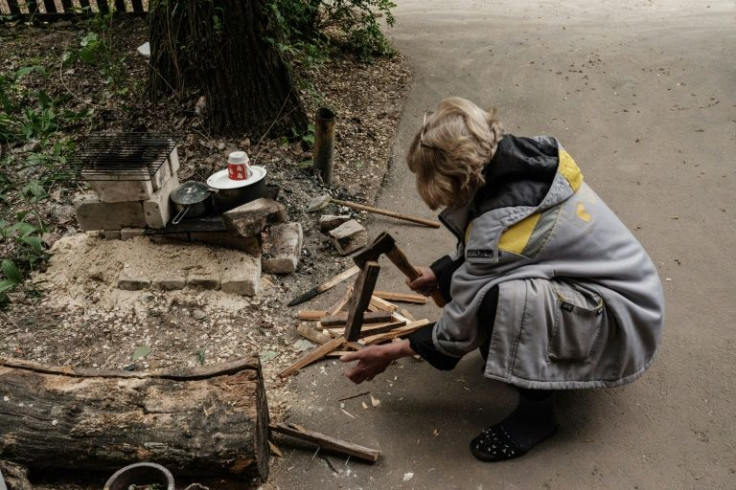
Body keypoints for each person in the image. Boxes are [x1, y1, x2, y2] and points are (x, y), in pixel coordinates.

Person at [340, 97, 665, 462]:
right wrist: (443, 273)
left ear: (460, 178)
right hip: (626, 294)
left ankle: (535, 417)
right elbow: (497, 249)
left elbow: (459, 324)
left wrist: (396, 349)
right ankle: (527, 351)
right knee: (482, 288)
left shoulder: (500, 232)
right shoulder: (522, 162)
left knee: (501, 302)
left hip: (621, 323)